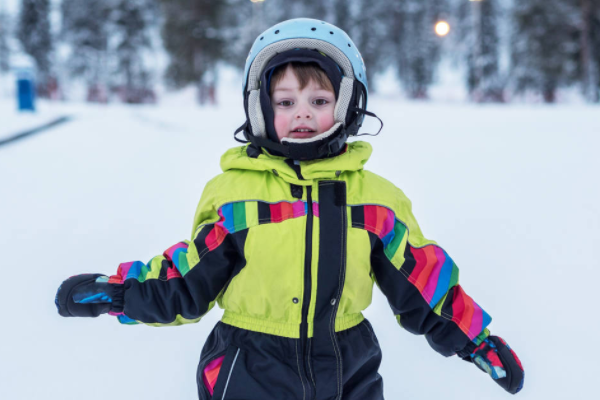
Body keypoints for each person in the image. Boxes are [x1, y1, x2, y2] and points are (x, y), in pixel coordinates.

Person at [55, 18, 524, 400]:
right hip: (249, 364)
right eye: (285, 101)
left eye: (319, 100)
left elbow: (422, 281)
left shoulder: (375, 200)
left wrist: (474, 339)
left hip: (348, 364)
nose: (302, 112)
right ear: (260, 110)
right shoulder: (237, 195)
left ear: (348, 106)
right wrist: (117, 292)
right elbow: (186, 278)